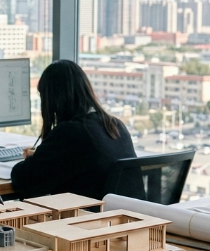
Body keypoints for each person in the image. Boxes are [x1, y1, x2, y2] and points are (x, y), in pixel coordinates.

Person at [10, 60, 137, 200]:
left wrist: (33, 160)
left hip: (85, 218)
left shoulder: (70, 132)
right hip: (126, 217)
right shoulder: (115, 125)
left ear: (52, 99)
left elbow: (24, 180)